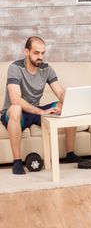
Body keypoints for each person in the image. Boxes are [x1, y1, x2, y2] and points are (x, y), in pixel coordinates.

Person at [0, 36, 84, 175]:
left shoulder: (46, 69)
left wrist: (72, 101)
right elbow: (15, 99)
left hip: (35, 111)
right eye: (36, 53)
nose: (40, 57)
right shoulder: (15, 68)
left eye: (42, 53)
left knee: (64, 105)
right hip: (15, 113)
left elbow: (60, 92)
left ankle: (70, 154)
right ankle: (17, 162)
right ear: (26, 52)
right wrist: (40, 112)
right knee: (15, 109)